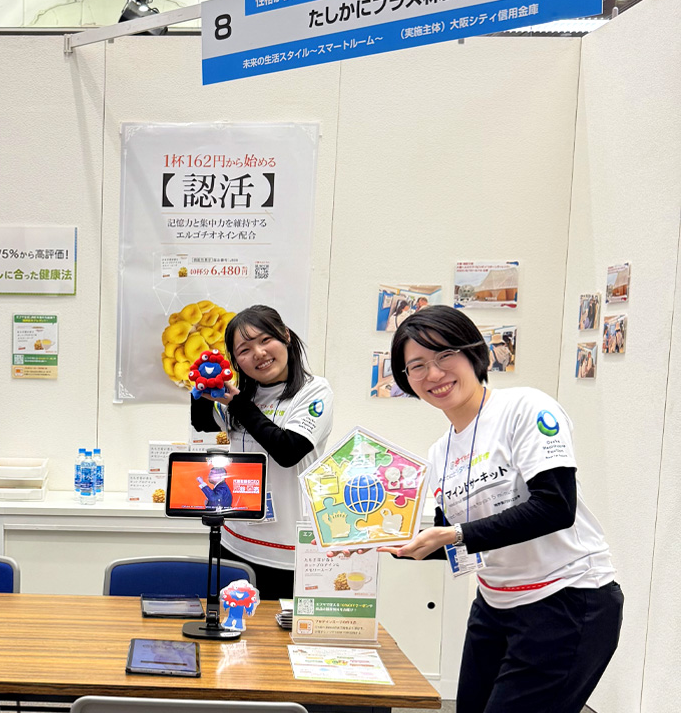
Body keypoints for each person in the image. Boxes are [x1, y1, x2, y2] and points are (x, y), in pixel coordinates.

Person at [380, 306, 621, 713]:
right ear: (407, 379)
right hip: (495, 605)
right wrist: (385, 540)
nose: (434, 374)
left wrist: (455, 535)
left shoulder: (525, 409)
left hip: (567, 599)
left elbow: (556, 506)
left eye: (444, 355)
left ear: (474, 352)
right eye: (417, 365)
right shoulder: (440, 452)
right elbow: (454, 540)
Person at [190, 305, 334, 600]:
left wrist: (239, 404)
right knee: (231, 623)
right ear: (236, 361)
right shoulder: (245, 395)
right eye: (244, 350)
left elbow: (288, 450)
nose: (258, 353)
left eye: (265, 340)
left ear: (285, 336)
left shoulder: (314, 391)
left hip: (288, 551)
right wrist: (201, 392)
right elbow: (204, 423)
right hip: (234, 541)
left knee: (278, 628)